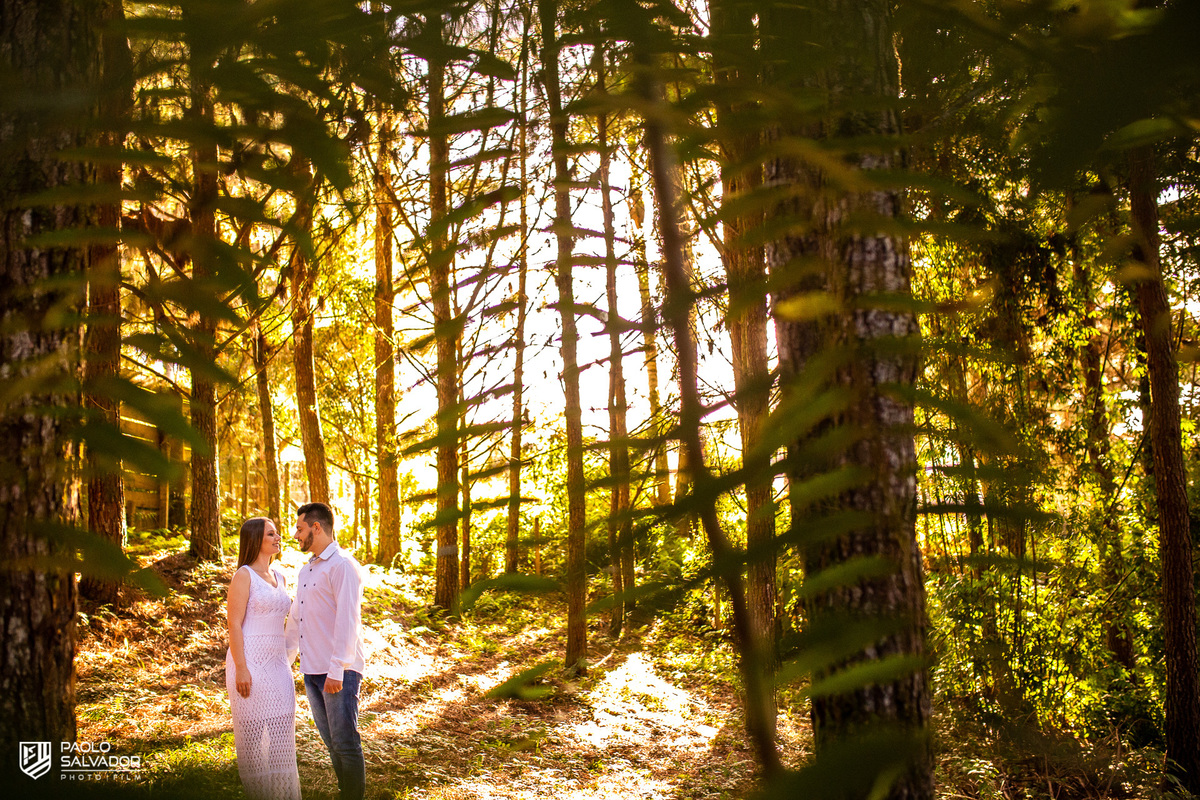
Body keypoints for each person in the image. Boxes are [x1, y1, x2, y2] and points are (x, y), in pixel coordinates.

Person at [285, 502, 366, 800]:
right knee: (332, 743)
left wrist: (336, 670)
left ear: (316, 528)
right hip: (312, 670)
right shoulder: (307, 570)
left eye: (300, 528)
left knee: (345, 742)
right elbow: (297, 619)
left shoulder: (342, 565)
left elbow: (348, 620)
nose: (295, 535)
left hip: (339, 671)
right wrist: (285, 663)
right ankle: (346, 791)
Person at [225, 517, 302, 800]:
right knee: (254, 736)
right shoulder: (243, 575)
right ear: (256, 540)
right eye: (272, 533)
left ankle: (284, 794)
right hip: (249, 661)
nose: (279, 536)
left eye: (277, 532)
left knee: (283, 729)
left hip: (278, 663)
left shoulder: (280, 576)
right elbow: (234, 624)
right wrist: (242, 669)